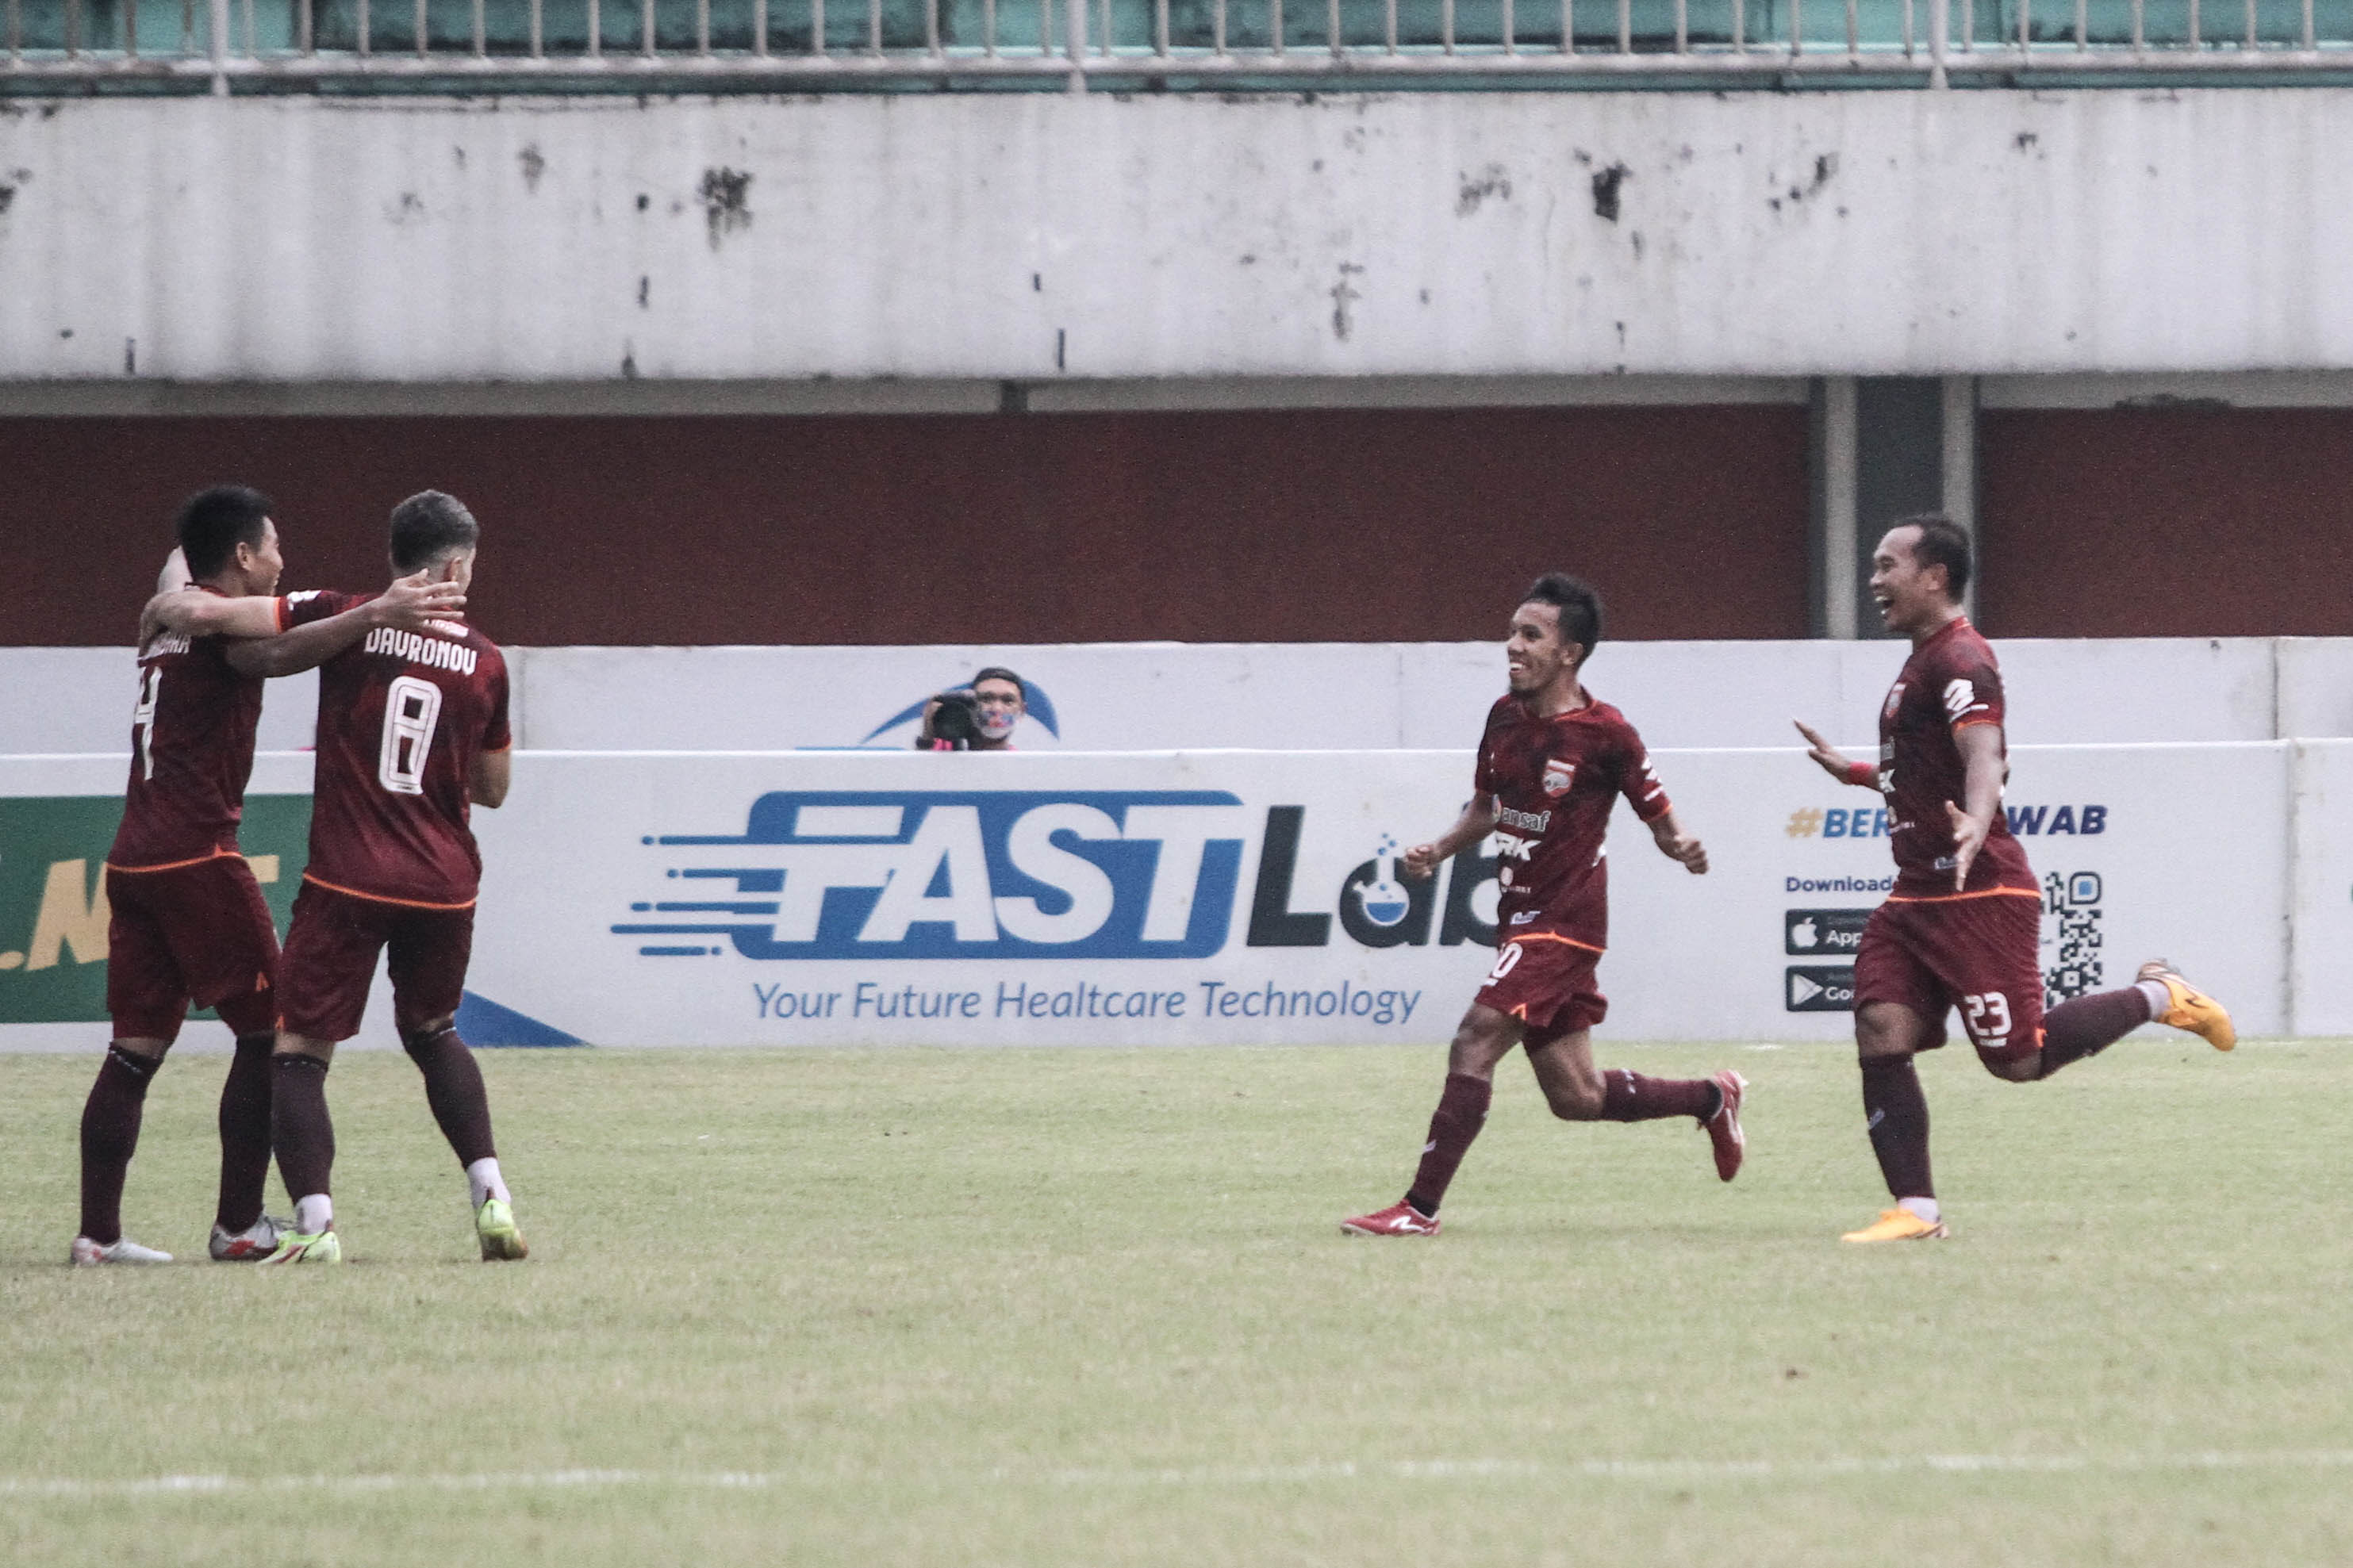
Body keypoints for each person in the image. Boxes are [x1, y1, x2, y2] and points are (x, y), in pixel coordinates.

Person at [1794, 515, 2234, 1245]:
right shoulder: (1920, 662)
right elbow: (1927, 769)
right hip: (1915, 894)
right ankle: (1916, 1210)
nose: (1874, 580)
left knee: (2020, 1059)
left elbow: (1984, 755)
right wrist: (1861, 774)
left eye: (1887, 565)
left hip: (1980, 893)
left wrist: (1976, 816)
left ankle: (2162, 993)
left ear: (1935, 576)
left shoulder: (1961, 659)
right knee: (1880, 1025)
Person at [75, 485, 465, 1267]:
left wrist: (181, 588)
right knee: (270, 1034)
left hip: (133, 859)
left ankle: (98, 1235)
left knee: (133, 1050)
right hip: (198, 857)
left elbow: (229, 618)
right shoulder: (224, 627)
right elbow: (279, 644)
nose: (285, 560)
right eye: (273, 546)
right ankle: (239, 1225)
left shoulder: (169, 618)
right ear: (244, 556)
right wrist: (373, 614)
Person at [1342, 574, 1748, 1239]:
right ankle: (1711, 1097)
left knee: (1474, 1038)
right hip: (1520, 920)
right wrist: (1440, 849)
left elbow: (1662, 820)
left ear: (1571, 652)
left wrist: (1685, 847)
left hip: (1565, 927)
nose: (1513, 645)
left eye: (1531, 634)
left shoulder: (1608, 733)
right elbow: (1489, 807)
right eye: (1512, 631)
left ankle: (1419, 1209)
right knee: (1576, 1096)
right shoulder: (1504, 716)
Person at [259, 491, 526, 1265]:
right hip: (445, 882)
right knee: (434, 1033)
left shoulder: (349, 619)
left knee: (300, 1052)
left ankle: (315, 1226)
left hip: (349, 876)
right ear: (450, 565)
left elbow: (263, 647)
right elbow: (495, 787)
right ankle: (492, 1198)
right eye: (469, 567)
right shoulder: (485, 658)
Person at [915, 666, 1026, 751]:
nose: (996, 709)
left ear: (1022, 711)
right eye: (986, 699)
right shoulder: (942, 753)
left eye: (1008, 701)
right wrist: (927, 739)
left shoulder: (1024, 766)